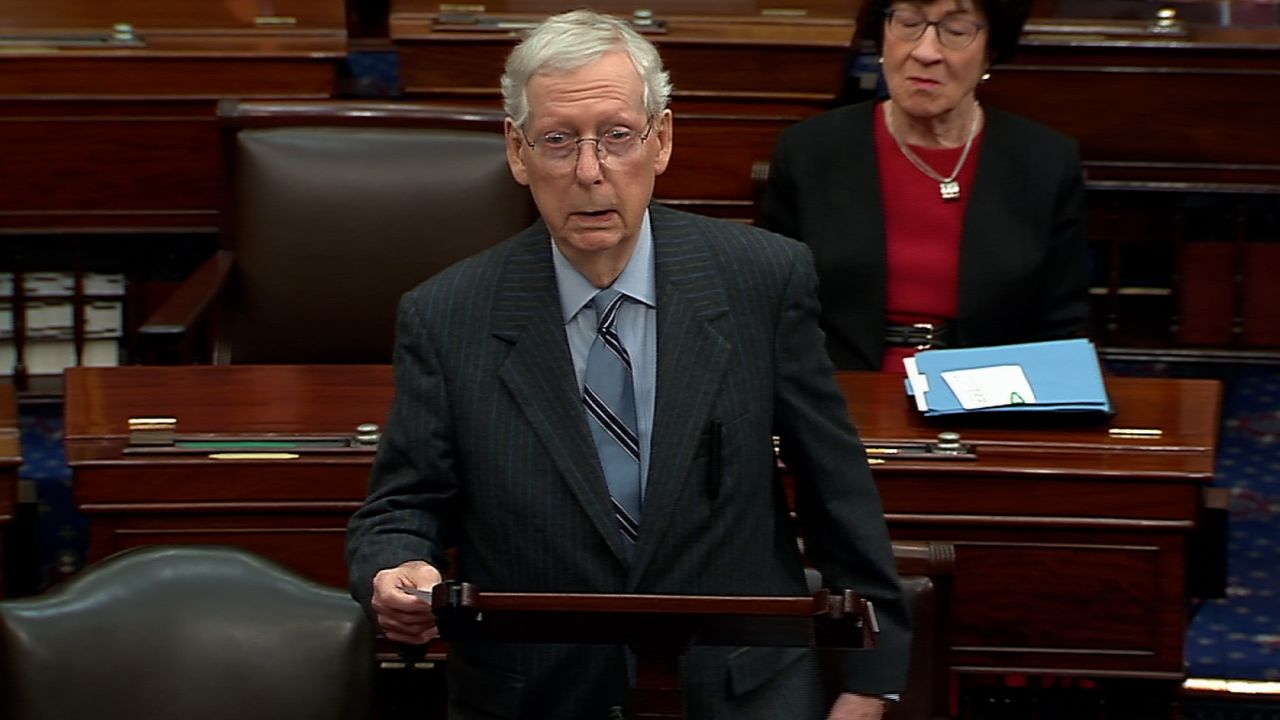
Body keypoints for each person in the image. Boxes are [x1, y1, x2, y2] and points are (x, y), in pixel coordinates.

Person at [346, 9, 908, 720]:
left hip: (738, 693)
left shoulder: (762, 279)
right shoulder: (447, 314)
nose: (590, 171)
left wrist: (870, 681)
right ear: (517, 152)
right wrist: (397, 568)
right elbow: (403, 504)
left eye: (616, 136)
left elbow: (837, 486)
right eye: (558, 141)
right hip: (536, 699)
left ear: (661, 139)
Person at [759, 0, 1089, 372]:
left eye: (957, 31)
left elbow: (1063, 326)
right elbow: (775, 308)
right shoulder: (811, 150)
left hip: (994, 396)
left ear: (989, 53)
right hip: (839, 391)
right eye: (908, 23)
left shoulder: (1044, 160)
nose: (925, 51)